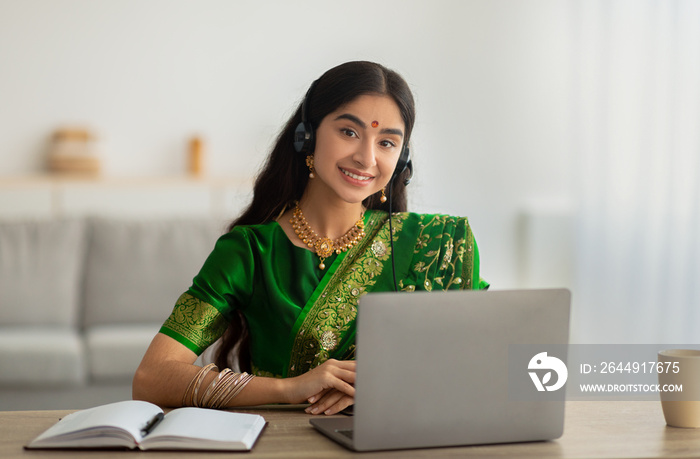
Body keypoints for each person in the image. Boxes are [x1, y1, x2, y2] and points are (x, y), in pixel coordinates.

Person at [132, 61, 488, 416]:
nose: (367, 158)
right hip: (284, 443)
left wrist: (383, 387)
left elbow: (483, 367)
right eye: (349, 132)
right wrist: (289, 389)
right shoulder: (250, 252)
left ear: (402, 158)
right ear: (307, 136)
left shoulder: (441, 245)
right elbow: (151, 377)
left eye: (387, 142)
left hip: (404, 442)